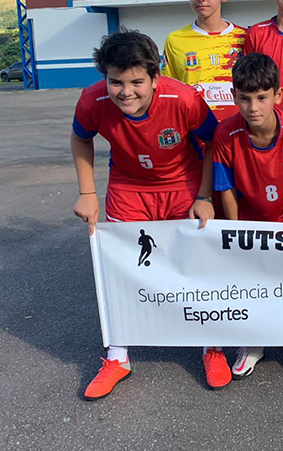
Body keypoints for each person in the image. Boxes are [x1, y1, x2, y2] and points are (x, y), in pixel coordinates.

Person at [71, 30, 218, 398]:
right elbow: (81, 137)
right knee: (121, 270)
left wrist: (204, 195)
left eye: (137, 82)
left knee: (195, 265)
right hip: (129, 185)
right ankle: (117, 356)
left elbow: (214, 141)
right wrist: (87, 192)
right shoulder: (91, 100)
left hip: (182, 182)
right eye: (115, 82)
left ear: (155, 77)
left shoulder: (183, 99)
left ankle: (211, 345)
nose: (125, 92)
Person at [213, 53, 283, 380]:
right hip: (250, 220)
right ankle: (253, 341)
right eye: (245, 99)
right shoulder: (225, 134)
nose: (253, 107)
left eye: (261, 98)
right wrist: (236, 234)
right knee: (253, 282)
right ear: (234, 96)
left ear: (278, 95)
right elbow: (226, 188)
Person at [162, 0, 246, 123]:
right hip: (195, 132)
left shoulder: (245, 37)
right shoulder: (175, 40)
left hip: (238, 131)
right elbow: (169, 93)